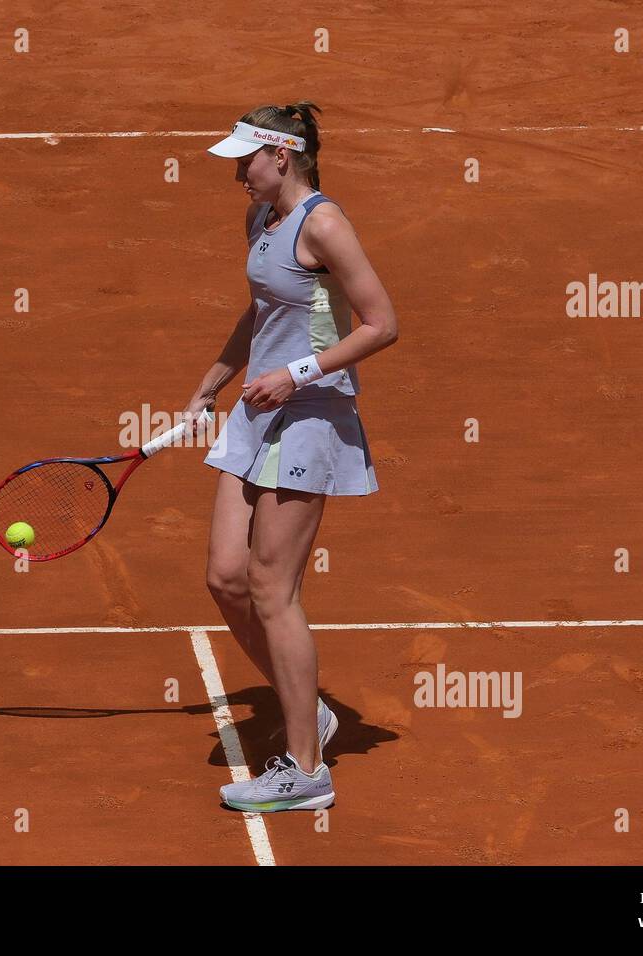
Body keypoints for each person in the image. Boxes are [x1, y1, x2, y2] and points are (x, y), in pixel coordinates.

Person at [182, 102, 398, 812]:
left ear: (283, 155)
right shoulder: (262, 220)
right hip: (257, 413)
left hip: (309, 415)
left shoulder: (324, 224)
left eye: (244, 160)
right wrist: (214, 380)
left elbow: (381, 324)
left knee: (274, 589)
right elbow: (263, 309)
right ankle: (308, 707)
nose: (235, 173)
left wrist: (297, 374)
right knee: (225, 577)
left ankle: (306, 770)